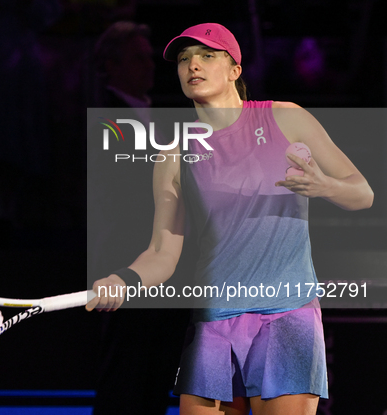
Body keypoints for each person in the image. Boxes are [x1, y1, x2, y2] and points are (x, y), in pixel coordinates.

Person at [86, 23, 374, 415]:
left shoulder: (286, 118)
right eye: (184, 59)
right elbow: (161, 252)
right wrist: (123, 279)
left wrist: (324, 186)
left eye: (207, 56)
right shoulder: (173, 153)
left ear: (235, 70)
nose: (193, 65)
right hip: (214, 321)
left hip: (287, 314)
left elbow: (362, 193)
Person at [88, 21, 191, 415]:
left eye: (149, 58)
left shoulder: (168, 118)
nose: (148, 66)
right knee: (124, 372)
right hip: (125, 263)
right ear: (111, 66)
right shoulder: (102, 117)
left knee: (159, 372)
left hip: (174, 266)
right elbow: (116, 194)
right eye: (136, 58)